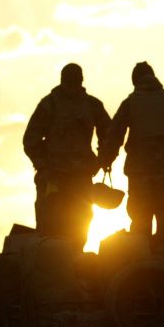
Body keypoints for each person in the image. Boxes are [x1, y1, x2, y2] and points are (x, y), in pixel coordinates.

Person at [100, 61, 164, 255]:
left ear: (135, 81)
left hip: (140, 171)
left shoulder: (131, 102)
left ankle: (142, 261)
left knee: (140, 218)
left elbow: (114, 135)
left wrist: (106, 160)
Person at [23, 63, 111, 248]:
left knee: (78, 232)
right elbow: (31, 140)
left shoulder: (91, 105)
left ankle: (73, 269)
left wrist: (102, 160)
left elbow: (109, 136)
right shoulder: (50, 104)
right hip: (54, 180)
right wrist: (44, 166)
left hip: (80, 179)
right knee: (51, 234)